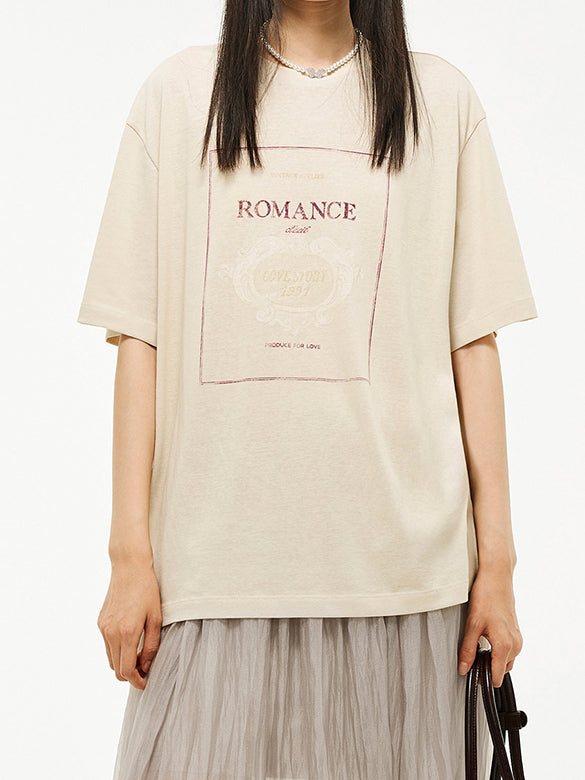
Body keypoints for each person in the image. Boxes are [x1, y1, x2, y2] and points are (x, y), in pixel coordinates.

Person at [76, 1, 538, 778]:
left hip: (404, 576)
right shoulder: (179, 96)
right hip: (217, 569)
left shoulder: (441, 101)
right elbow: (138, 338)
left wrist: (498, 564)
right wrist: (128, 558)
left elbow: (472, 342)